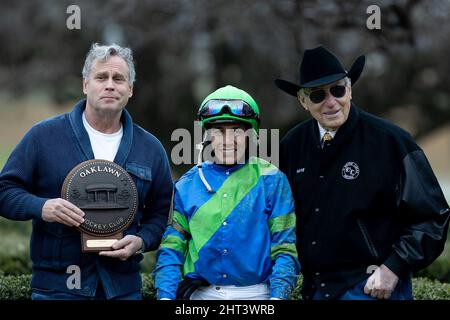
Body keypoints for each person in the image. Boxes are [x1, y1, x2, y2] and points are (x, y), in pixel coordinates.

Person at [275, 46, 450, 300]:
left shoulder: (392, 142)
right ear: (303, 102)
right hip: (315, 291)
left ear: (350, 89)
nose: (331, 101)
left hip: (373, 288)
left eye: (337, 89)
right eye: (317, 95)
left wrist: (393, 268)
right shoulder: (292, 144)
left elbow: (433, 217)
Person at [0, 43, 173, 300]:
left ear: (130, 89)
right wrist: (42, 207)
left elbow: (161, 214)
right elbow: (4, 192)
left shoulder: (150, 148)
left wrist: (142, 241)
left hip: (123, 289)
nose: (110, 85)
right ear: (85, 84)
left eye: (119, 79)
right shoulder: (43, 137)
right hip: (57, 289)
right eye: (101, 77)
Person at [153, 85, 300, 300]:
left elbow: (285, 248)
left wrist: (278, 297)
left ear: (251, 135)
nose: (227, 140)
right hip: (201, 295)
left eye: (237, 131)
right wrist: (165, 296)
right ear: (207, 136)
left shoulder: (272, 180)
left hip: (259, 295)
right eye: (218, 131)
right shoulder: (187, 184)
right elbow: (171, 249)